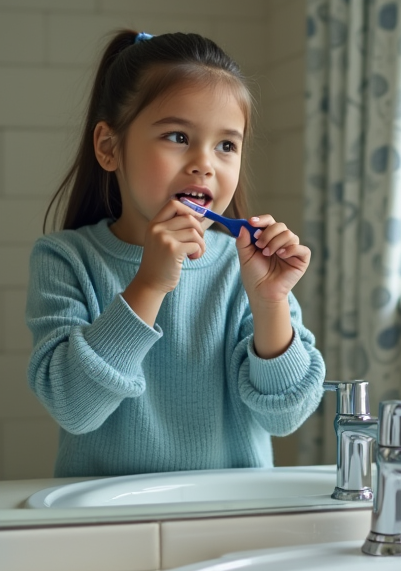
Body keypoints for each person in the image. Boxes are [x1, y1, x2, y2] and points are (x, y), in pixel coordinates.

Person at [26, 31, 324, 478]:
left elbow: (285, 416)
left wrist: (269, 302)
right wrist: (149, 284)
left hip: (230, 516)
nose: (204, 162)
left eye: (227, 145)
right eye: (178, 136)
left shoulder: (241, 270)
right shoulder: (67, 259)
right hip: (109, 520)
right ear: (109, 147)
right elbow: (74, 408)